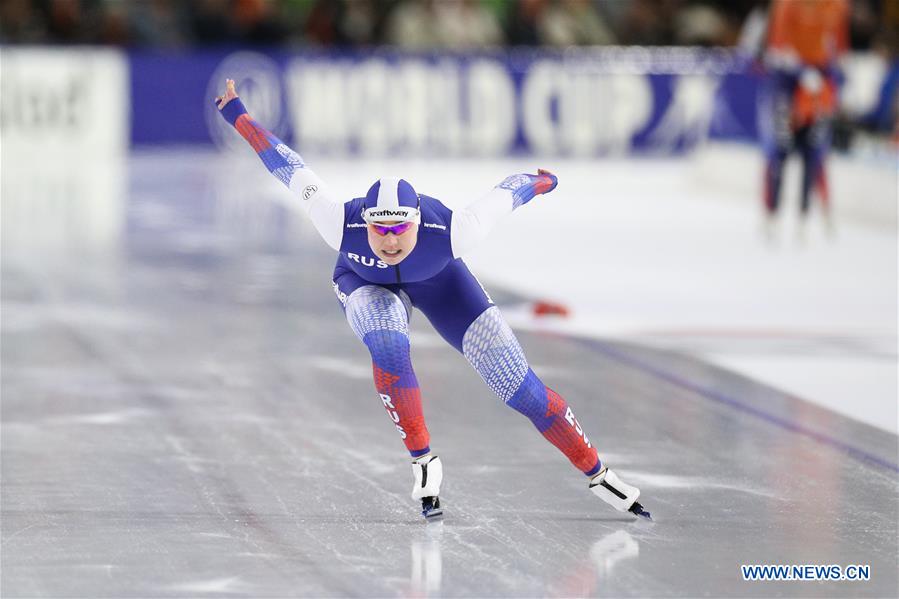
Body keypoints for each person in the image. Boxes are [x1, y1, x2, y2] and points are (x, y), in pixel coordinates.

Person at [214, 79, 650, 521]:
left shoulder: (457, 230)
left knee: (522, 391)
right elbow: (285, 165)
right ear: (363, 222)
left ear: (417, 223)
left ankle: (597, 472)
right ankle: (424, 460)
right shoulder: (336, 221)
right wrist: (238, 114)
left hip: (441, 279)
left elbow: (510, 192)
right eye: (378, 228)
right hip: (365, 282)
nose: (388, 239)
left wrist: (540, 180)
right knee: (388, 347)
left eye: (399, 228)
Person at [761, 0, 849, 239]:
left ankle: (810, 214)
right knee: (779, 150)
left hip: (818, 86)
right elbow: (777, 49)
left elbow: (837, 49)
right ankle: (771, 214)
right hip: (787, 86)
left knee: (815, 152)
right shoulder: (787, 5)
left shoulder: (837, 6)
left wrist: (833, 88)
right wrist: (801, 71)